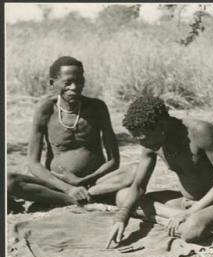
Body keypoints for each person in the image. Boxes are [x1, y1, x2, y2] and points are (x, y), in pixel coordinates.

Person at [106, 96, 213, 247]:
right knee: (123, 197)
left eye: (145, 138)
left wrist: (190, 213)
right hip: (184, 203)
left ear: (162, 125)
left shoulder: (201, 131)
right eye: (138, 140)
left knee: (191, 231)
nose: (142, 144)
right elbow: (138, 187)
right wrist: (121, 218)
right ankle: (173, 218)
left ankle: (172, 218)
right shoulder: (151, 141)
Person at [7, 56, 135, 212]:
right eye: (68, 83)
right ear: (52, 83)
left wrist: (84, 180)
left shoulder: (97, 107)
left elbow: (114, 160)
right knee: (8, 182)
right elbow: (33, 163)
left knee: (135, 170)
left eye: (80, 81)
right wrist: (69, 188)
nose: (74, 87)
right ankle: (76, 201)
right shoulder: (45, 110)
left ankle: (73, 199)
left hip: (96, 183)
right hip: (58, 185)